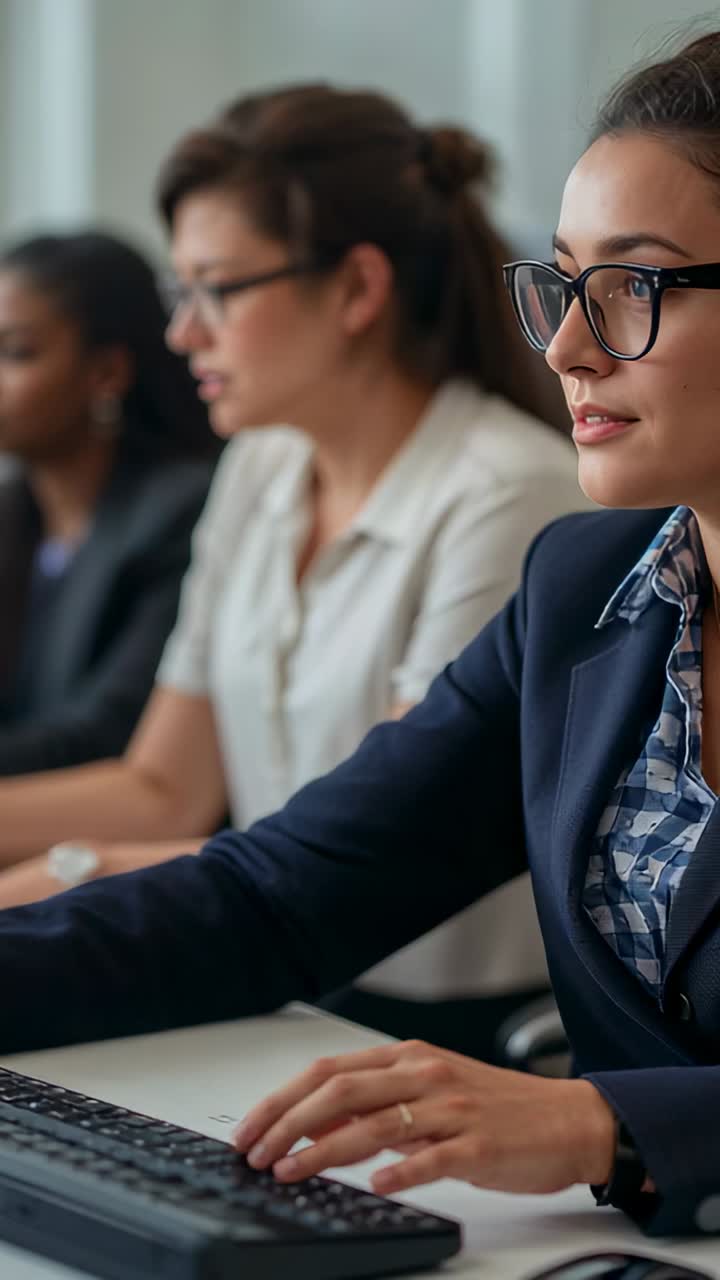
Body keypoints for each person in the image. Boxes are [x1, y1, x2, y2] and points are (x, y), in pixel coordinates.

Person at [11, 27, 720, 1232]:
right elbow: (283, 893)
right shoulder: (586, 588)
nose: (566, 346)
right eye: (562, 283)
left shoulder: (507, 503)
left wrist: (608, 1123)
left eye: (633, 286)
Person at [0, 88, 587, 1060]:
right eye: (176, 295)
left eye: (217, 290)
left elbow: (365, 860)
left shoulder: (509, 495)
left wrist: (73, 867)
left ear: (358, 289)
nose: (183, 334)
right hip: (277, 978)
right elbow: (162, 788)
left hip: (443, 1033)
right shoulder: (262, 465)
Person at [0, 231, 218, 774]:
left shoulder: (185, 512)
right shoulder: (12, 512)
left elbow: (106, 729)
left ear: (107, 372)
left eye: (15, 352)